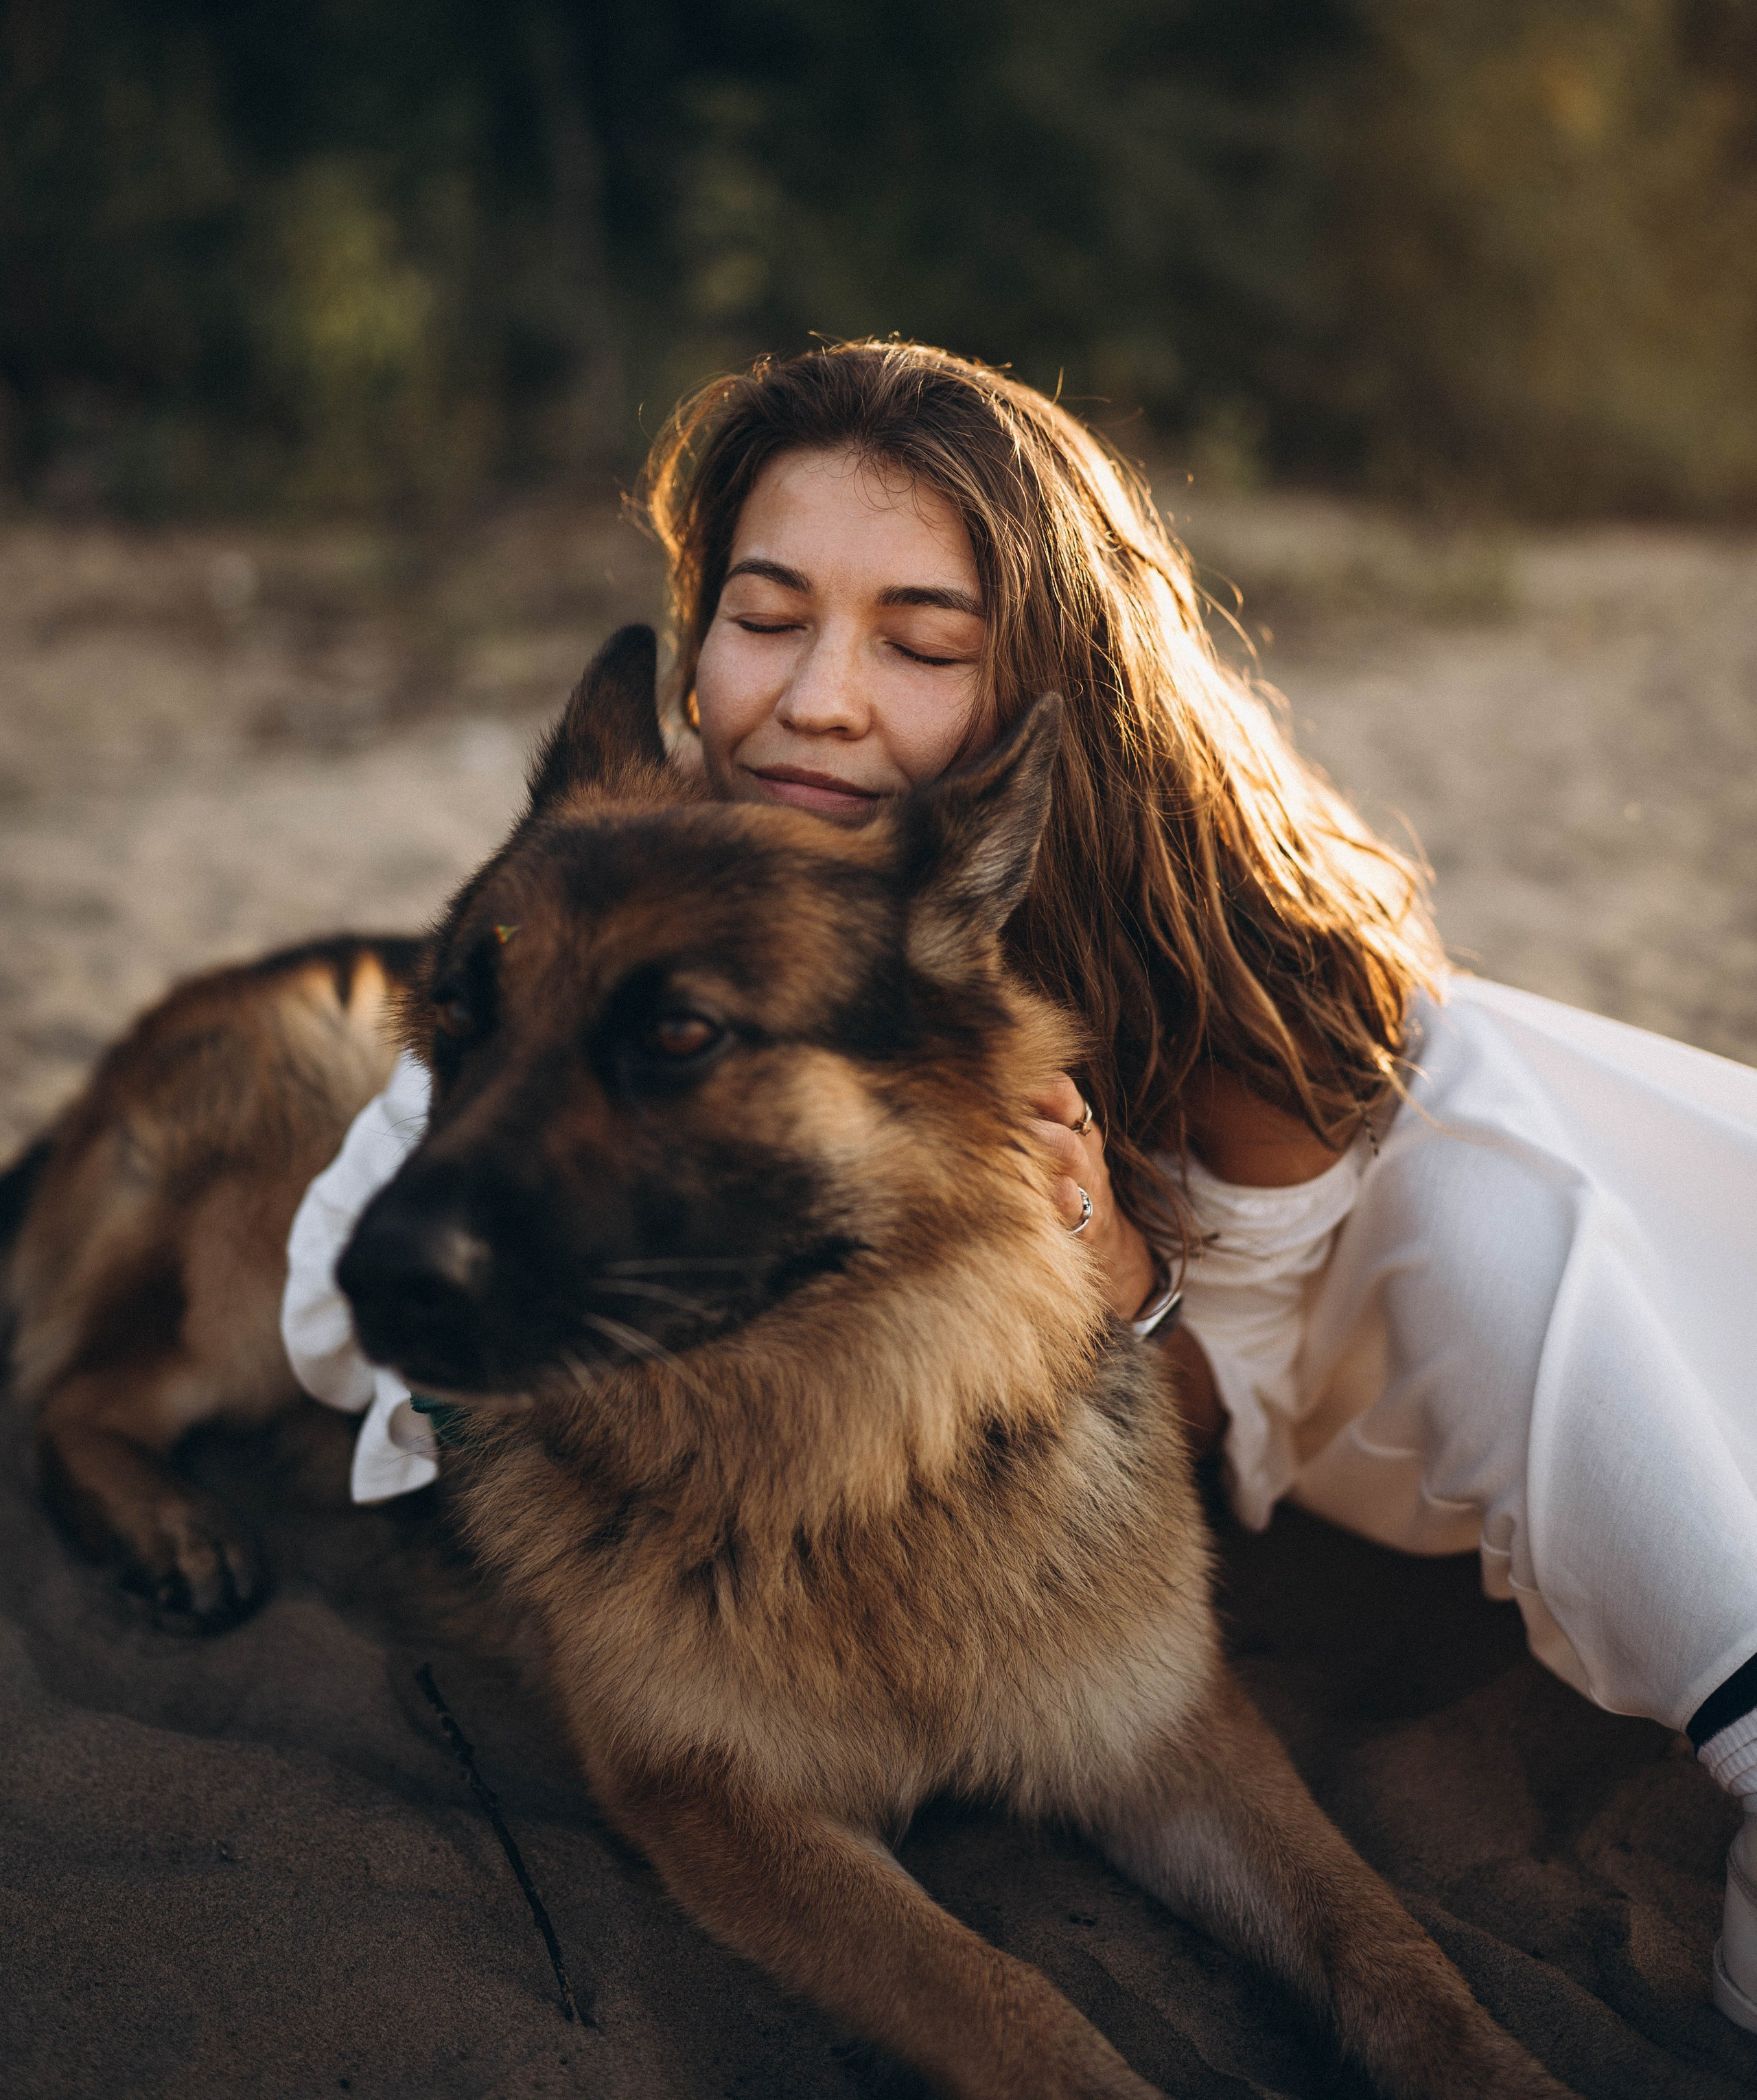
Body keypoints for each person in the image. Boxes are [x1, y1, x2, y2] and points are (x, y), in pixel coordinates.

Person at [283, 337, 1757, 2033]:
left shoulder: (1224, 964)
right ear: (693, 647)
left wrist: (1124, 1281)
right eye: (762, 617)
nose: (819, 699)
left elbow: (1227, 1418)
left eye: (922, 643)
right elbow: (350, 1275)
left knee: (1481, 1196)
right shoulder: (621, 888)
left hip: (1419, 1345)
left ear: (1048, 676)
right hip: (1157, 1431)